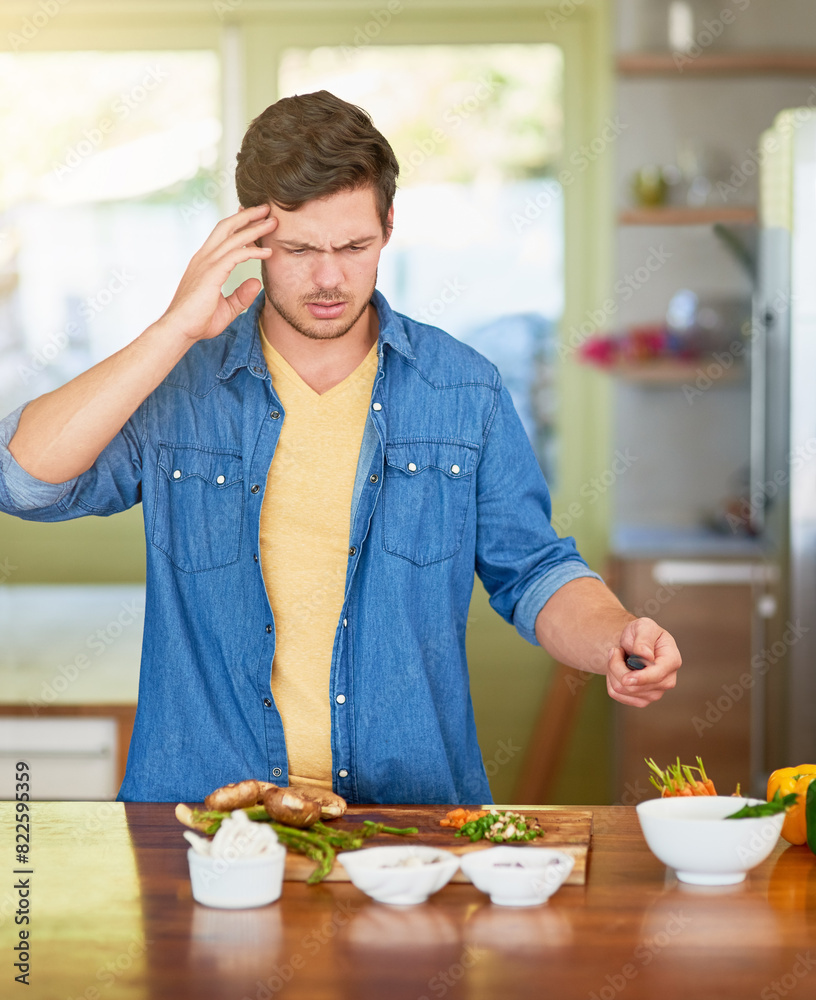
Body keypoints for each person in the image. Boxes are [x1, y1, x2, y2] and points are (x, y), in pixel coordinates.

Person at [0, 91, 681, 804]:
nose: (329, 278)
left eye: (354, 247)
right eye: (299, 249)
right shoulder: (178, 387)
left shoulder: (461, 389)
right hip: (204, 828)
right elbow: (23, 481)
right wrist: (173, 330)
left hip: (405, 829)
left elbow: (534, 570)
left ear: (388, 227)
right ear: (252, 240)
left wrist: (614, 639)